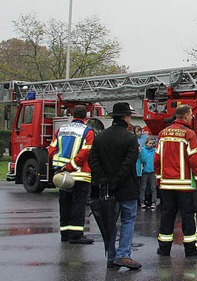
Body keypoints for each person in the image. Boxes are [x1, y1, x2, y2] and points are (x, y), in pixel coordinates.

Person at [89, 102, 141, 270]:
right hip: (126, 188)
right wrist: (116, 181)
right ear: (125, 117)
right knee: (128, 220)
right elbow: (128, 164)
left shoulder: (100, 137)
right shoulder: (130, 138)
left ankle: (111, 256)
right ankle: (123, 255)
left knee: (109, 222)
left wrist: (103, 180)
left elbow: (93, 161)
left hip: (105, 189)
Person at [155, 104, 197, 257]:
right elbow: (195, 160)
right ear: (185, 116)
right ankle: (190, 248)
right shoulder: (188, 134)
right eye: (191, 115)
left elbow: (157, 159)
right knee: (188, 216)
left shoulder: (162, 133)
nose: (192, 118)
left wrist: (159, 179)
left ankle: (164, 248)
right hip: (185, 185)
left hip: (166, 184)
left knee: (167, 215)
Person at [48, 104, 94, 244]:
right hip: (80, 174)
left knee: (65, 203)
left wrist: (60, 167)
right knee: (79, 204)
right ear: (85, 117)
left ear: (73, 115)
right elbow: (85, 153)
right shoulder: (88, 131)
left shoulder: (61, 129)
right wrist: (71, 166)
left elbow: (51, 149)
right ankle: (76, 235)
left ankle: (65, 233)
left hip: (62, 175)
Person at [138, 137, 157, 209]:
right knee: (143, 187)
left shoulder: (154, 151)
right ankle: (142, 201)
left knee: (153, 187)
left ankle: (153, 202)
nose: (151, 145)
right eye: (150, 143)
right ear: (146, 143)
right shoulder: (142, 150)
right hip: (145, 171)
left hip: (152, 171)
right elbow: (142, 160)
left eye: (152, 143)